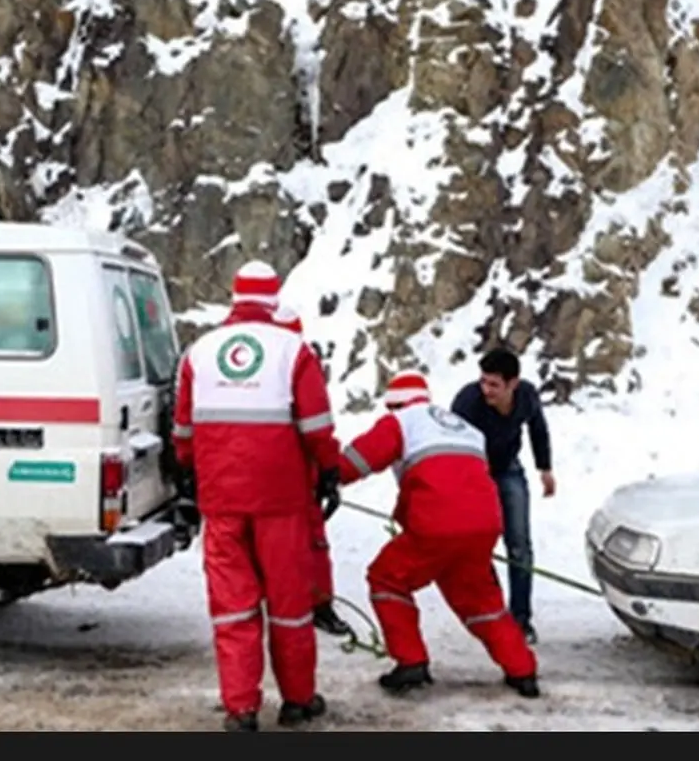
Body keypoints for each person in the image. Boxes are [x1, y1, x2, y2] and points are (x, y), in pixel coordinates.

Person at [172, 261, 343, 732]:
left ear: (234, 295)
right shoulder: (294, 351)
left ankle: (241, 709)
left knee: (233, 606)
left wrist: (191, 472)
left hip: (222, 499)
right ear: (273, 297)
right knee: (289, 605)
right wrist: (328, 470)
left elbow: (183, 430)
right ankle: (298, 700)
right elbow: (316, 426)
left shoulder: (199, 352)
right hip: (282, 500)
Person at [336, 370, 540, 698]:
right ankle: (522, 670)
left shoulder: (402, 422)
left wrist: (322, 477)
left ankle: (410, 661)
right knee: (481, 600)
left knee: (387, 577)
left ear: (395, 405)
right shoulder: (466, 429)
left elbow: (355, 462)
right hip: (483, 524)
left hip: (436, 525)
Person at [450, 347, 555, 644]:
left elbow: (538, 428)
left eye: (494, 384)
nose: (486, 390)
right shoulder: (468, 402)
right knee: (479, 544)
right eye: (483, 381)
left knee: (519, 545)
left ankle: (521, 619)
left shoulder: (527, 397)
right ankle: (492, 615)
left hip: (508, 469)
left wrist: (545, 468)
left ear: (513, 384)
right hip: (474, 474)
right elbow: (451, 445)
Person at [272, 303, 350, 638]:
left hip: (253, 475)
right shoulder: (301, 363)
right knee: (312, 543)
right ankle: (316, 607)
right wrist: (330, 471)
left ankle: (265, 607)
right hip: (298, 474)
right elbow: (318, 426)